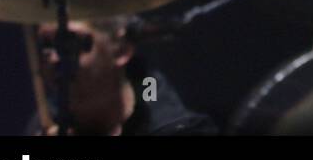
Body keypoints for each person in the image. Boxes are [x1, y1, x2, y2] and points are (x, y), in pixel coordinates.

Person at [27, 18, 215, 136]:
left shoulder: (179, 129)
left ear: (121, 50)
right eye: (46, 45)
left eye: (69, 43)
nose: (54, 58)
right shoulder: (45, 124)